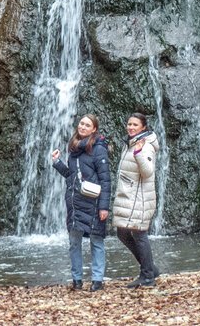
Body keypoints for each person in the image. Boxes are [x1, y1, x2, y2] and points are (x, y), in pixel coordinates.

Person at [51, 114, 111, 291]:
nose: (83, 127)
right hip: (75, 201)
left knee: (96, 240)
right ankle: (76, 279)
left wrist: (104, 206)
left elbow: (105, 179)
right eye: (81, 123)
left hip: (93, 202)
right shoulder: (74, 148)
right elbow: (72, 175)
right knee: (74, 242)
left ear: (94, 129)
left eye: (87, 125)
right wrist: (57, 163)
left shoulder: (98, 148)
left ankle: (97, 280)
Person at [113, 111, 161, 288]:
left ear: (143, 127)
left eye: (135, 125)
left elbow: (147, 171)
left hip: (140, 198)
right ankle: (150, 268)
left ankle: (148, 276)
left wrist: (140, 152)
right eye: (129, 124)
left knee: (139, 234)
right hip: (130, 196)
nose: (131, 127)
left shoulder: (144, 145)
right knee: (122, 232)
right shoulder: (130, 143)